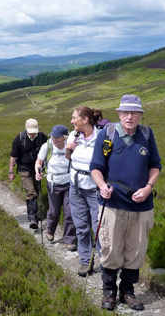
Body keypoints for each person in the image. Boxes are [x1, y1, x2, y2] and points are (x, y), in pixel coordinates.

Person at [90, 95, 161, 311]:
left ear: (140, 115)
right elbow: (95, 167)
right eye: (125, 112)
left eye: (134, 113)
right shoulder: (107, 134)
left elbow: (155, 166)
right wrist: (102, 185)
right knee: (111, 249)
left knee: (136, 251)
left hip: (142, 206)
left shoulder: (147, 135)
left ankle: (127, 292)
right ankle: (109, 292)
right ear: (119, 114)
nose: (130, 117)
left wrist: (148, 187)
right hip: (112, 204)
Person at [66, 106, 105, 277]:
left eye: (74, 118)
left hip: (94, 188)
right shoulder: (74, 135)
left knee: (99, 227)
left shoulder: (101, 137)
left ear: (85, 120)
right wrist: (69, 149)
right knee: (81, 226)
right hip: (75, 186)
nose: (72, 121)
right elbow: (69, 157)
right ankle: (85, 261)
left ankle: (105, 262)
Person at [35, 124, 77, 250]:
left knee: (69, 212)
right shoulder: (47, 146)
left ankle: (69, 240)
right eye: (53, 136)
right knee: (54, 211)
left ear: (64, 137)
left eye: (57, 137)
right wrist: (38, 171)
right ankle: (50, 230)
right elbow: (39, 162)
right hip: (53, 182)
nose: (54, 139)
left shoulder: (71, 146)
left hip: (69, 182)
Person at [9, 118, 48, 229]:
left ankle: (34, 213)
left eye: (34, 132)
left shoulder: (42, 137)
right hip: (24, 168)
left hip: (38, 169)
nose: (32, 135)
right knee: (31, 192)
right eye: (30, 133)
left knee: (36, 190)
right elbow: (13, 156)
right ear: (26, 130)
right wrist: (11, 171)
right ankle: (33, 218)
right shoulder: (19, 138)